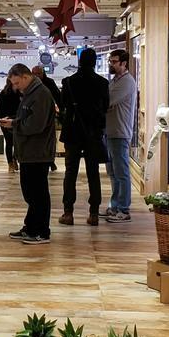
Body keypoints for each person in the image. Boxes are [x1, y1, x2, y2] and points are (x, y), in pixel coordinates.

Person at [0, 63, 55, 244]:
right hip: (29, 151)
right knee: (30, 192)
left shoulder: (40, 94)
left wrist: (14, 124)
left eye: (17, 83)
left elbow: (36, 125)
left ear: (25, 77)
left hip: (37, 152)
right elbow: (28, 119)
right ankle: (30, 227)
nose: (15, 87)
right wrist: (14, 122)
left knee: (38, 193)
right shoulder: (31, 93)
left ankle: (41, 232)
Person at [58, 47, 110, 226]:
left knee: (70, 172)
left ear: (79, 61)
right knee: (93, 173)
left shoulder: (68, 82)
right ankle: (93, 213)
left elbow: (64, 105)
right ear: (95, 62)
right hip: (93, 132)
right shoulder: (102, 83)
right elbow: (105, 106)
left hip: (73, 132)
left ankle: (68, 213)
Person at [103, 48, 139, 221]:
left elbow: (107, 101)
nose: (111, 64)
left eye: (114, 62)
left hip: (119, 132)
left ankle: (124, 209)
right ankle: (115, 206)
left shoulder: (126, 82)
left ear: (124, 63)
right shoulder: (115, 81)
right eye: (110, 61)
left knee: (121, 172)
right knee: (113, 172)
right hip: (110, 132)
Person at [31, 65, 61, 171]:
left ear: (43, 73)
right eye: (34, 74)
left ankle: (50, 160)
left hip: (48, 114)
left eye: (38, 73)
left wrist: (61, 110)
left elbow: (58, 96)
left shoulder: (49, 83)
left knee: (49, 139)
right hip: (34, 115)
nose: (36, 76)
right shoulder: (29, 84)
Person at [0, 78, 20, 172]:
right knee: (10, 142)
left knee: (15, 143)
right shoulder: (5, 93)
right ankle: (11, 163)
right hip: (6, 120)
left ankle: (13, 160)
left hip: (15, 120)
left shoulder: (20, 93)